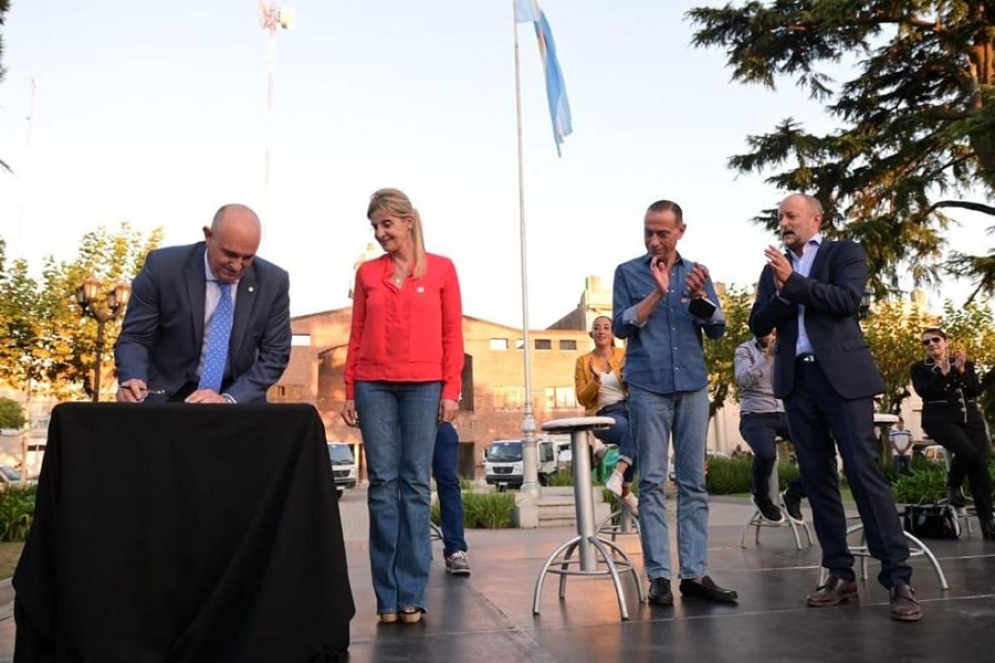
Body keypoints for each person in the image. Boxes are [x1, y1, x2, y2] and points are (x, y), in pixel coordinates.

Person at [749, 192, 921, 622]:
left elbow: (847, 300)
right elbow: (758, 323)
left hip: (842, 377)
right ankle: (839, 574)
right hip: (797, 381)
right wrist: (784, 290)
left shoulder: (844, 252)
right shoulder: (772, 271)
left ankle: (898, 578)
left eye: (791, 215)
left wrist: (795, 284)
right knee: (817, 477)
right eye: (779, 217)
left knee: (862, 471)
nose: (784, 222)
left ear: (815, 219)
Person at [341, 188, 464, 625]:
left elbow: (453, 335)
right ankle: (386, 598)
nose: (379, 233)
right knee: (382, 486)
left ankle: (412, 592)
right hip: (373, 385)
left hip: (424, 386)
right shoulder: (367, 275)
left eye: (386, 224)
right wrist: (351, 388)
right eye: (375, 226)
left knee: (414, 485)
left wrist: (451, 389)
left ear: (408, 221)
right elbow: (356, 333)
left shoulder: (443, 270)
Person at [612, 199, 738, 607]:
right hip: (648, 387)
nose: (654, 239)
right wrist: (656, 294)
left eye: (662, 232)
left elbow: (717, 329)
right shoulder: (628, 272)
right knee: (649, 481)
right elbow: (619, 326)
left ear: (681, 230)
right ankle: (660, 577)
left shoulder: (697, 273)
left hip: (692, 387)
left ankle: (695, 574)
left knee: (692, 482)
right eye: (648, 231)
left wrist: (699, 297)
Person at [114, 203, 291, 404]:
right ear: (208, 235)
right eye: (230, 254)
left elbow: (275, 355)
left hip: (236, 399)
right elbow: (135, 337)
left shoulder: (273, 282)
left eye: (247, 257)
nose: (237, 265)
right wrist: (132, 378)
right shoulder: (163, 269)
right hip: (167, 396)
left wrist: (229, 399)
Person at [911, 328, 994, 539]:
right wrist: (944, 373)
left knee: (979, 463)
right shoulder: (920, 368)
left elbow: (975, 390)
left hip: (970, 420)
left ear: (946, 342)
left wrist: (962, 371)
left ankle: (987, 522)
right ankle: (953, 482)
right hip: (939, 420)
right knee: (972, 455)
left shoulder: (966, 364)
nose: (931, 344)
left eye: (935, 339)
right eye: (926, 342)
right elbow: (926, 392)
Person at [733, 332, 808, 523]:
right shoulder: (744, 350)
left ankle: (794, 494)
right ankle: (761, 497)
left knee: (819, 452)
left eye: (775, 331)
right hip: (755, 415)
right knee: (766, 454)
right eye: (767, 331)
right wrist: (768, 357)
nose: (772, 335)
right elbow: (742, 379)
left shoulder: (790, 347)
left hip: (785, 412)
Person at [575, 315, 639, 516]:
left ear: (612, 333)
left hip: (629, 409)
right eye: (597, 328)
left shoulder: (623, 354)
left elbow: (635, 385)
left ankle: (623, 485)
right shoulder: (583, 361)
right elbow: (582, 399)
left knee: (640, 432)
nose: (601, 331)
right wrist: (595, 381)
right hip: (603, 414)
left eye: (606, 327)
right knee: (633, 430)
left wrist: (626, 375)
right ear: (591, 334)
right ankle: (621, 480)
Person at [433, 421, 471, 574]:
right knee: (412, 485)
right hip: (408, 421)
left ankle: (455, 551)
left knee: (449, 483)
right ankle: (415, 550)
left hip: (439, 423)